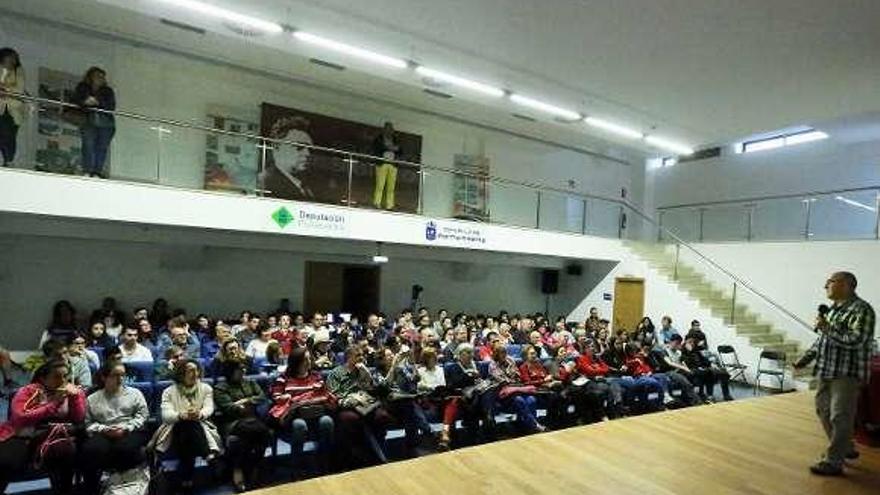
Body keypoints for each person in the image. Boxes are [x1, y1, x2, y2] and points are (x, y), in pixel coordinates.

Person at [794, 271, 876, 476]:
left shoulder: (862, 309)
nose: (825, 285)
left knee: (840, 416)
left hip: (847, 374)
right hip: (826, 370)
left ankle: (833, 461)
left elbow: (857, 340)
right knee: (823, 411)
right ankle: (845, 447)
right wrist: (804, 360)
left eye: (830, 282)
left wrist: (827, 328)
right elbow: (822, 340)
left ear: (846, 285)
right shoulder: (832, 311)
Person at [0, 360, 86, 494]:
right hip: (23, 434)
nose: (63, 380)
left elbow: (78, 418)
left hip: (57, 434)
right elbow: (20, 417)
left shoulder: (74, 392)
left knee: (64, 452)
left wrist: (74, 398)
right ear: (43, 378)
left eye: (65, 376)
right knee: (6, 461)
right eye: (57, 376)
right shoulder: (28, 391)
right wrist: (54, 403)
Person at [148, 359, 221, 493]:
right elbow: (166, 415)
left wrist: (199, 414)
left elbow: (209, 408)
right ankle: (209, 457)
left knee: (190, 428)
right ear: (181, 374)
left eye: (196, 370)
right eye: (190, 371)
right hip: (174, 428)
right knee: (185, 425)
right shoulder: (169, 391)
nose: (195, 374)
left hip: (200, 425)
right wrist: (181, 415)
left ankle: (186, 478)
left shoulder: (206, 388)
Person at [81, 362, 150, 493]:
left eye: (123, 375)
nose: (120, 379)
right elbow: (88, 423)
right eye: (115, 375)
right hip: (104, 431)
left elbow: (143, 416)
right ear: (104, 377)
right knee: (90, 450)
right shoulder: (92, 398)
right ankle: (93, 488)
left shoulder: (135, 393)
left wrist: (127, 428)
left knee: (124, 448)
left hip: (130, 429)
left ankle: (125, 488)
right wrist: (103, 430)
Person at [270, 347, 336, 476]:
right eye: (305, 359)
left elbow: (325, 394)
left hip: (315, 414)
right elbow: (276, 397)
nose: (308, 361)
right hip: (294, 418)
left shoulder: (316, 376)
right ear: (296, 362)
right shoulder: (284, 378)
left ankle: (324, 463)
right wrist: (288, 398)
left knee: (327, 421)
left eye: (309, 359)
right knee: (299, 425)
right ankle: (297, 466)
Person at [326, 347, 393, 466]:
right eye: (358, 355)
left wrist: (367, 374)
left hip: (364, 403)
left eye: (362, 355)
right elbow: (334, 396)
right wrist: (351, 401)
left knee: (382, 415)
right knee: (352, 419)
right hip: (346, 405)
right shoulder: (335, 373)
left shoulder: (362, 370)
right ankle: (354, 458)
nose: (362, 358)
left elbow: (372, 389)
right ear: (349, 357)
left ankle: (373, 454)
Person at [213, 360, 271, 492]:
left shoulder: (250, 382)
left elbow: (262, 396)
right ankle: (248, 470)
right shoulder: (220, 387)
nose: (243, 372)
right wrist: (246, 405)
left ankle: (240, 468)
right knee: (262, 430)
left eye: (244, 369)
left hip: (252, 420)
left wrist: (246, 401)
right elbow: (229, 408)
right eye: (240, 370)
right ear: (230, 372)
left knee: (249, 435)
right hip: (232, 423)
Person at [487, 342, 544, 433]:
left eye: (505, 352)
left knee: (531, 400)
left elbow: (517, 376)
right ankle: (534, 426)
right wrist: (511, 375)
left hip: (517, 389)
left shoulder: (510, 360)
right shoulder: (492, 365)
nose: (504, 355)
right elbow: (503, 381)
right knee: (519, 400)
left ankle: (528, 427)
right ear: (496, 354)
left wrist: (511, 376)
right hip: (503, 394)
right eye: (501, 353)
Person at [72, 66, 116, 178]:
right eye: (97, 76)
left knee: (101, 147)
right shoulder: (83, 87)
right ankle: (87, 170)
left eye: (102, 77)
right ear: (90, 76)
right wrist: (86, 101)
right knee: (88, 145)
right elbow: (76, 101)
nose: (100, 79)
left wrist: (97, 102)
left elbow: (111, 106)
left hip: (105, 123)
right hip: (88, 120)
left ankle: (97, 172)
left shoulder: (107, 91)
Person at [0, 48, 24, 167]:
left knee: (9, 135)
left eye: (13, 58)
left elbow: (19, 90)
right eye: (9, 57)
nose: (11, 61)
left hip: (13, 109)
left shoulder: (19, 72)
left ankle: (9, 160)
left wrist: (6, 90)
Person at [372, 121, 402, 210]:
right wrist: (389, 148)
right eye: (387, 129)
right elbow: (376, 148)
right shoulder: (379, 138)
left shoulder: (395, 139)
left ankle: (390, 205)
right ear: (384, 129)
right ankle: (377, 203)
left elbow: (400, 150)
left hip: (393, 164)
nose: (389, 131)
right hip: (382, 163)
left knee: (391, 187)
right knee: (380, 185)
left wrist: (395, 148)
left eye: (391, 129)